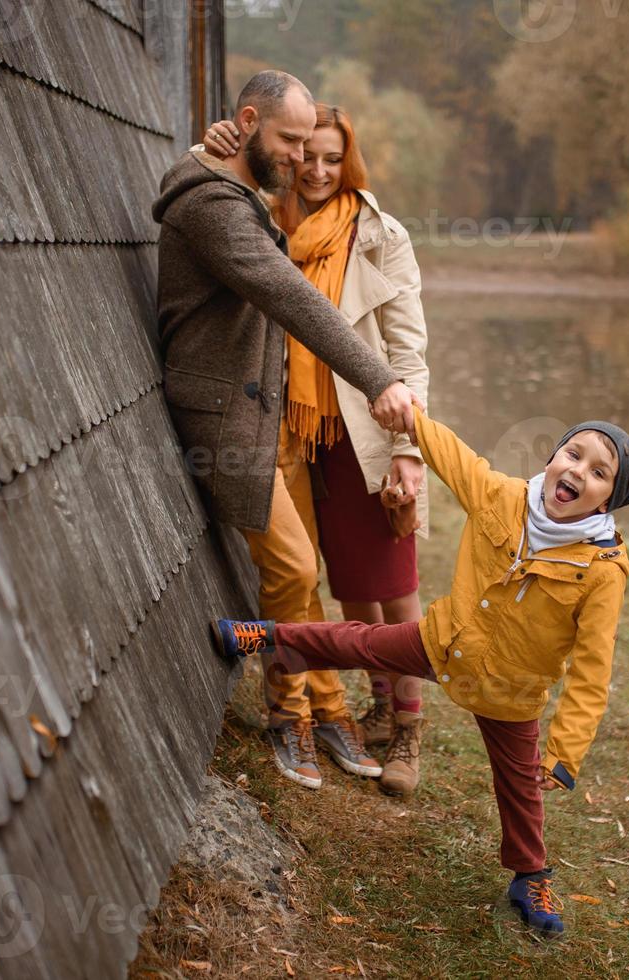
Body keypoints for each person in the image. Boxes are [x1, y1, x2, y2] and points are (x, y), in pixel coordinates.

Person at [210, 404, 629, 936]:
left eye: (599, 473)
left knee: (520, 786)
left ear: (609, 499)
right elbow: (454, 456)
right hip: (444, 642)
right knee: (357, 644)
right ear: (553, 456)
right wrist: (408, 417)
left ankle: (529, 875)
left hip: (510, 689)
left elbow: (591, 671)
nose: (577, 472)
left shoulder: (602, 571)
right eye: (573, 454)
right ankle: (267, 636)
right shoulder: (504, 497)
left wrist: (565, 753)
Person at [151, 71, 422, 790]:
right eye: (291, 141)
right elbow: (290, 296)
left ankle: (328, 706)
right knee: (296, 569)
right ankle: (287, 715)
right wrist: (378, 378)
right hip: (227, 418)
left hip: (266, 409)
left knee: (301, 573)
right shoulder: (216, 207)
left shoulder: (238, 183)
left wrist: (213, 143)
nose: (304, 159)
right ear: (247, 122)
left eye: (312, 143)